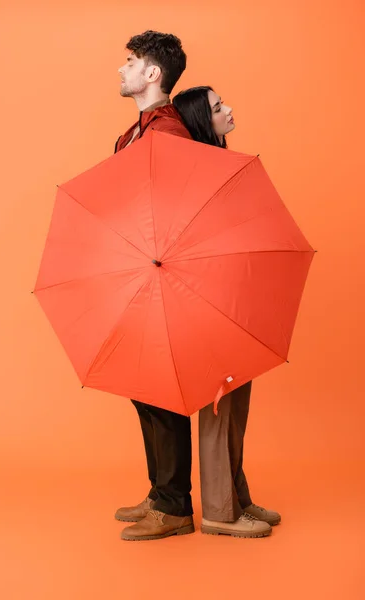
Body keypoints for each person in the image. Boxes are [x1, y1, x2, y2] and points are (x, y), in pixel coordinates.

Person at [172, 86, 281, 538]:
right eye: (218, 108)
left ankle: (237, 495)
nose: (229, 109)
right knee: (218, 405)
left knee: (237, 405)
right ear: (202, 121)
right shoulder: (196, 173)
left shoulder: (223, 165)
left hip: (235, 301)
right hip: (208, 304)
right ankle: (220, 510)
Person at [113, 31, 195, 542]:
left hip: (162, 275)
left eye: (130, 62)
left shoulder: (168, 134)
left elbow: (174, 209)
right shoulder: (136, 132)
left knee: (161, 389)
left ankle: (175, 505)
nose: (121, 69)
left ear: (152, 74)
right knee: (142, 388)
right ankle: (159, 491)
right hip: (136, 272)